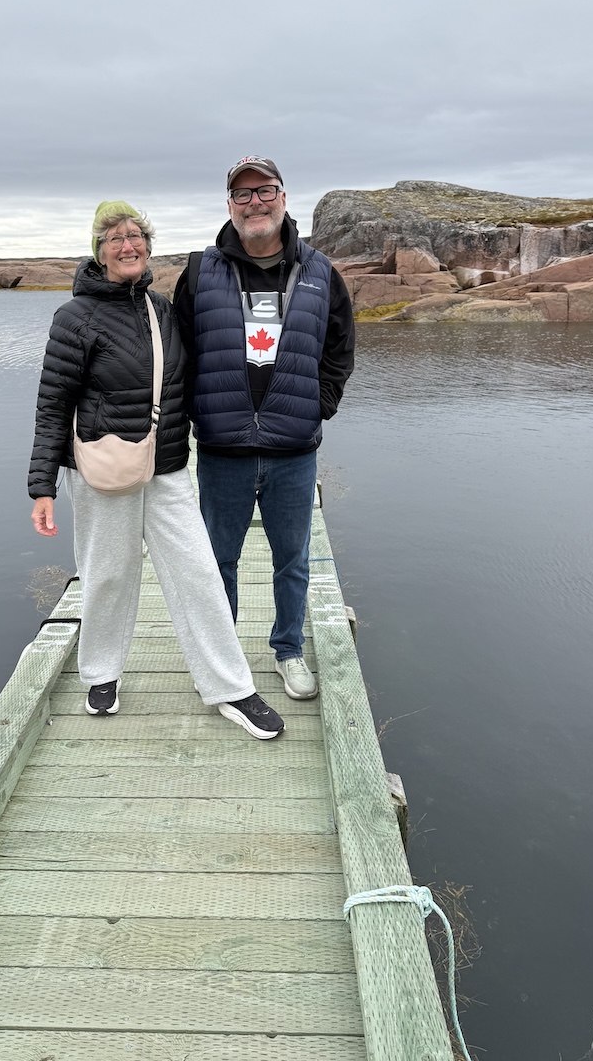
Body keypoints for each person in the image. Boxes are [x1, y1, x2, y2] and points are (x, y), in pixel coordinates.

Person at [28, 200, 284, 740]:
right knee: (108, 574)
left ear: (148, 246)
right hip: (102, 468)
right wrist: (42, 485)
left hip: (166, 465)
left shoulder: (161, 309)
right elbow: (53, 404)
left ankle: (231, 687)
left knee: (197, 572)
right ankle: (101, 674)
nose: (128, 246)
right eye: (115, 238)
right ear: (98, 251)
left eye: (136, 237)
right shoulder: (74, 318)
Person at [174, 158, 355, 701]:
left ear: (283, 197)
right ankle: (224, 656)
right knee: (217, 559)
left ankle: (288, 651)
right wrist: (189, 414)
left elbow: (340, 348)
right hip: (222, 447)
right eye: (243, 194)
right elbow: (178, 349)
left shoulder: (321, 272)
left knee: (292, 558)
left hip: (293, 448)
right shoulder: (200, 270)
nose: (255, 202)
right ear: (229, 205)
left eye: (265, 191)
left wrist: (318, 403)